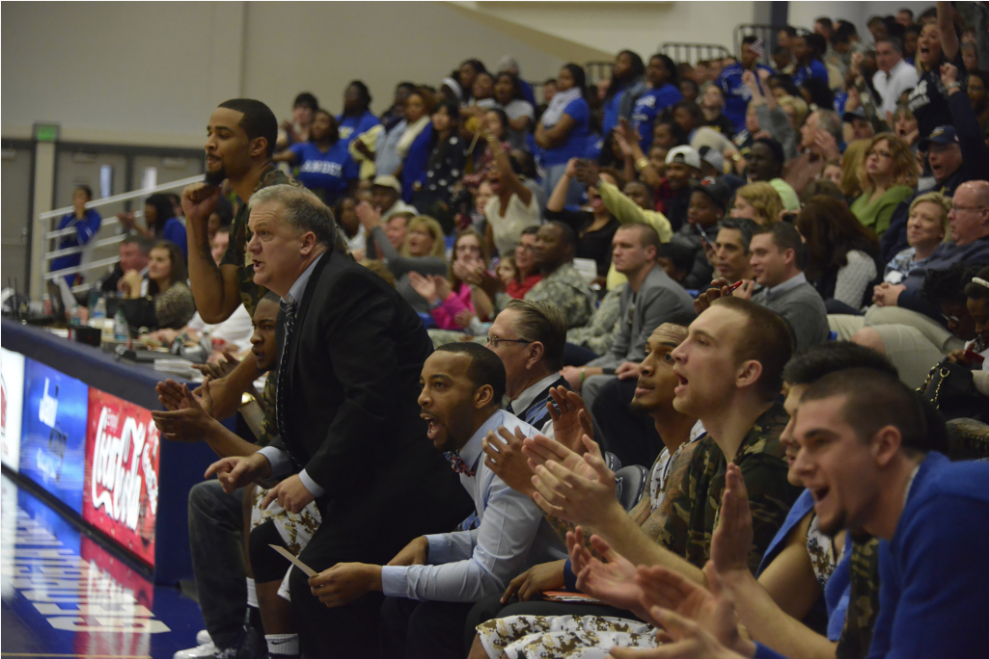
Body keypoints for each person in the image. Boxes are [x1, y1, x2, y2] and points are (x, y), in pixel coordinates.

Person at [206, 184, 470, 659]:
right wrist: (266, 460)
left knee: (319, 584)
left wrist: (311, 478)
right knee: (268, 539)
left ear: (307, 242)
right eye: (250, 235)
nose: (250, 246)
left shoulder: (346, 287)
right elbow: (311, 413)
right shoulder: (294, 301)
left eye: (265, 233)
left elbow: (370, 402)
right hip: (363, 476)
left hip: (406, 482)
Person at [485, 298, 802, 657]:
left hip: (720, 640)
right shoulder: (704, 450)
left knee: (518, 641)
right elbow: (636, 560)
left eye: (700, 343)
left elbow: (737, 618)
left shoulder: (770, 460)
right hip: (690, 623)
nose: (675, 356)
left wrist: (547, 492)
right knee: (495, 630)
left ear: (746, 373)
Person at [294, 343, 562, 659]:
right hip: (528, 570)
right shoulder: (484, 440)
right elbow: (500, 536)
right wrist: (432, 544)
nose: (422, 397)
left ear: (482, 396)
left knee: (430, 619)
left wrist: (374, 578)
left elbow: (488, 577)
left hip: (567, 584)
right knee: (400, 605)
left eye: (440, 385)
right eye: (422, 385)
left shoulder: (509, 453)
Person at [467, 321, 704, 659]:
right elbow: (611, 546)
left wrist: (538, 488)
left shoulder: (698, 455)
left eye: (668, 357)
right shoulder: (668, 454)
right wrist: (571, 467)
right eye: (648, 351)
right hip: (644, 602)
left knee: (501, 626)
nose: (644, 366)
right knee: (489, 621)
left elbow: (630, 558)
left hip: (676, 621)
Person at [792, 369, 989, 658]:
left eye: (820, 442)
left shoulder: (946, 507)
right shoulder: (897, 527)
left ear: (884, 446)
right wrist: (734, 647)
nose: (798, 468)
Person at [563, 222, 695, 466]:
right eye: (615, 246)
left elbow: (639, 358)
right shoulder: (630, 289)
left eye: (625, 246)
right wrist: (580, 371)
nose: (616, 252)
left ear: (650, 253)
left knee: (593, 384)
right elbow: (618, 349)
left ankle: (615, 465)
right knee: (569, 369)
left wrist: (583, 373)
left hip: (667, 372)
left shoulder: (659, 291)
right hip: (637, 364)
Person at [699, 222, 829, 352]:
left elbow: (770, 361)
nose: (753, 262)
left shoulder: (803, 304)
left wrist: (738, 309)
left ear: (788, 256)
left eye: (761, 253)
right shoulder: (762, 295)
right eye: (752, 254)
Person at [483, 222, 595, 329]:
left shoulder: (562, 286)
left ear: (567, 248)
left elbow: (525, 327)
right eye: (538, 240)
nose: (539, 245)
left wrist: (497, 293)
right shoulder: (551, 279)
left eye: (548, 240)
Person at [486, 300, 570, 431]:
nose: (487, 350)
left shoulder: (558, 423)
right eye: (488, 340)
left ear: (533, 354)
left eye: (496, 341)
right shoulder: (519, 404)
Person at [796, 196, 883, 313]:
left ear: (821, 235)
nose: (805, 243)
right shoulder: (824, 257)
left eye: (807, 236)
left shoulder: (856, 259)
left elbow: (839, 312)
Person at [358, 206, 447, 315]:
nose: (413, 237)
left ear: (433, 241)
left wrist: (376, 228)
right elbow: (374, 270)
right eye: (412, 232)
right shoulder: (406, 265)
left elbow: (396, 261)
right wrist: (370, 235)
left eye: (420, 233)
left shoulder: (437, 264)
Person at [545, 158, 623, 280]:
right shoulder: (584, 218)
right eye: (593, 185)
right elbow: (552, 213)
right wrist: (568, 175)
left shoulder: (618, 227)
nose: (596, 189)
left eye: (603, 186)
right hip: (569, 278)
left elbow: (609, 267)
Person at [478, 115, 540, 258]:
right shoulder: (491, 206)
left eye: (497, 168)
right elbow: (488, 246)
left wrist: (489, 134)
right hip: (506, 269)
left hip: (531, 265)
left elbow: (507, 172)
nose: (492, 172)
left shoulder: (525, 198)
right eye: (490, 169)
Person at [273, 109, 358, 205]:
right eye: (314, 121)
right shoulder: (303, 148)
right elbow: (283, 156)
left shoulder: (344, 154)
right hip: (304, 204)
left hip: (333, 206)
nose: (317, 125)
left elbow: (352, 185)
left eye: (323, 122)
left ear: (331, 129)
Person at [410, 230, 490, 332]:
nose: (467, 253)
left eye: (473, 249)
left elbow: (470, 324)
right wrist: (434, 300)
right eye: (462, 248)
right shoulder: (457, 282)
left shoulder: (487, 281)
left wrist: (449, 297)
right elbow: (447, 325)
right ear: (455, 254)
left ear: (481, 254)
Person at [906, 3, 964, 139]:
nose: (925, 40)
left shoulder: (947, 68)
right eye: (922, 35)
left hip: (947, 147)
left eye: (933, 37)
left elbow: (945, 27)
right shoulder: (924, 76)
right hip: (927, 149)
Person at [536, 63, 591, 207]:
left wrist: (547, 138)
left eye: (567, 78)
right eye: (560, 78)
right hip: (550, 161)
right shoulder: (555, 103)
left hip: (568, 161)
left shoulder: (578, 103)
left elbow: (557, 133)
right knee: (548, 206)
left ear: (577, 81)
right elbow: (538, 133)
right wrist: (548, 140)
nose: (561, 81)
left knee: (564, 206)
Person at [849, 133, 917, 237]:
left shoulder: (900, 193)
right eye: (871, 152)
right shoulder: (864, 196)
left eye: (883, 154)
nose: (874, 158)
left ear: (899, 161)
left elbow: (883, 240)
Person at [119, 240, 196, 331]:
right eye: (150, 259)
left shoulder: (179, 293)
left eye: (160, 260)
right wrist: (128, 292)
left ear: (174, 265)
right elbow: (122, 320)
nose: (152, 265)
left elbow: (140, 322)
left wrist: (135, 289)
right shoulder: (157, 290)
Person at [883, 192, 951, 284]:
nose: (915, 223)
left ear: (943, 231)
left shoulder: (944, 264)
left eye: (927, 219)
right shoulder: (901, 257)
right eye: (913, 216)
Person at [719, 36, 775, 133]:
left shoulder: (765, 73)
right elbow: (720, 96)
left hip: (758, 121)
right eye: (743, 52)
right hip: (731, 121)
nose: (745, 56)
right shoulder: (728, 73)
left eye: (749, 52)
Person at [50, 184, 102, 286]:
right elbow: (59, 236)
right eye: (75, 197)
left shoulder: (94, 217)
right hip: (60, 263)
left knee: (70, 298)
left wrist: (80, 218)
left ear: (88, 200)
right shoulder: (68, 215)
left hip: (77, 266)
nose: (77, 200)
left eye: (81, 196)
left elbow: (84, 239)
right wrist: (75, 217)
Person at [631, 54, 682, 152]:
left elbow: (665, 123)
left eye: (657, 68)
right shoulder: (647, 93)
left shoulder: (670, 92)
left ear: (667, 72)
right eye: (650, 67)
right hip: (639, 146)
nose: (652, 71)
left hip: (655, 148)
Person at [119, 192, 188, 260]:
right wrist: (134, 226)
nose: (146, 211)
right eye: (146, 208)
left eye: (150, 207)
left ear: (160, 209)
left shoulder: (173, 225)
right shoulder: (158, 228)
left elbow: (178, 253)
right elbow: (153, 240)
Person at [397, 88, 435, 205]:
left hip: (421, 185)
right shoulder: (411, 128)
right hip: (407, 182)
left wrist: (421, 181)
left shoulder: (430, 128)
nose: (412, 109)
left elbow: (433, 157)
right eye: (409, 106)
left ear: (427, 107)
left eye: (417, 105)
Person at [602, 50, 648, 136]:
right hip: (607, 139)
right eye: (617, 61)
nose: (617, 66)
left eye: (623, 62)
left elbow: (634, 119)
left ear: (634, 67)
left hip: (623, 138)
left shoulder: (639, 89)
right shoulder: (614, 88)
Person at [748, 138, 800, 212]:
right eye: (750, 158)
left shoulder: (782, 192)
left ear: (776, 165)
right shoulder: (749, 189)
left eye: (760, 158)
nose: (753, 162)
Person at [872, 36, 919, 117]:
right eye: (878, 54)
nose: (881, 59)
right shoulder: (878, 77)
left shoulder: (908, 73)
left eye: (886, 53)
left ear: (899, 55)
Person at [712, 217, 757, 283]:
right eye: (718, 246)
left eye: (730, 248)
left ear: (751, 253)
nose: (720, 255)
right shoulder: (711, 290)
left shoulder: (768, 292)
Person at [337, 80, 380, 146]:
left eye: (352, 94)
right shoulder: (337, 120)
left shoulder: (371, 122)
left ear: (362, 99)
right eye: (347, 93)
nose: (348, 97)